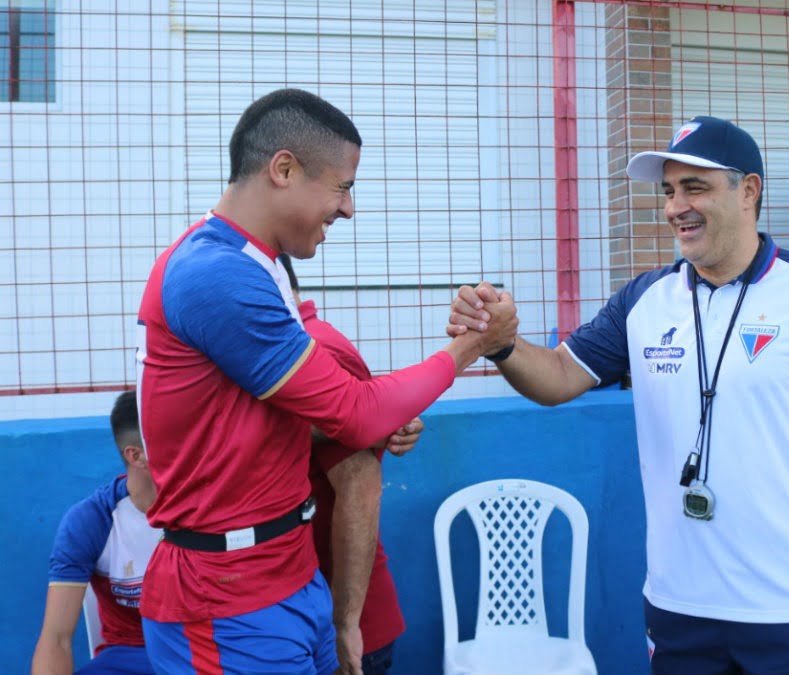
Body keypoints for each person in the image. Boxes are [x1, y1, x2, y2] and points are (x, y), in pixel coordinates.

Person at [448, 116, 789, 674]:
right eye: (669, 191)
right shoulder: (644, 300)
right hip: (678, 605)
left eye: (695, 187)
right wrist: (502, 345)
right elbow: (558, 377)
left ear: (749, 191)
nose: (674, 207)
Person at [135, 88, 516, 673]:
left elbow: (289, 416)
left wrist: (377, 420)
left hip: (290, 572)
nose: (348, 209)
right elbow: (354, 413)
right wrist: (472, 347)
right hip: (227, 598)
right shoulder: (214, 273)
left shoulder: (258, 265)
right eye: (343, 187)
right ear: (284, 169)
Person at [278, 254, 413, 675]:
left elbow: (359, 487)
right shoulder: (279, 347)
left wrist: (345, 623)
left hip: (340, 628)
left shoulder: (316, 350)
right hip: (300, 614)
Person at [32, 391, 159, 675]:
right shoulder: (91, 521)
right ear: (136, 455)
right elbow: (57, 639)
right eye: (175, 438)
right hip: (129, 656)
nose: (193, 446)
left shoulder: (211, 508)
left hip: (201, 650)